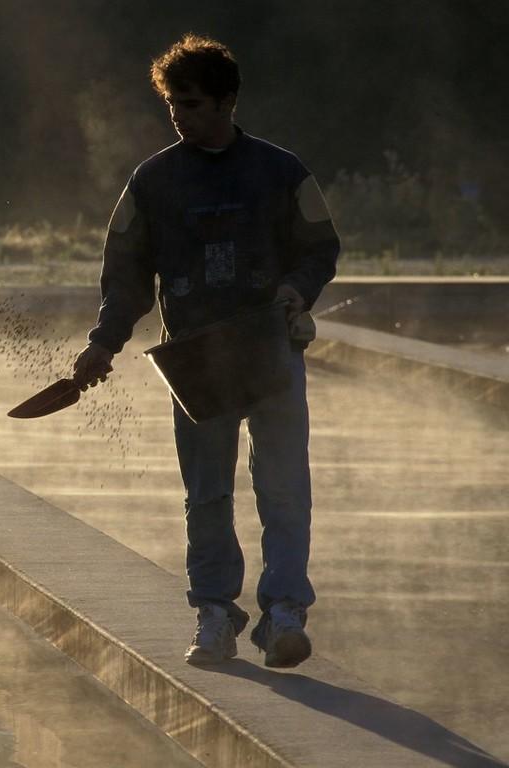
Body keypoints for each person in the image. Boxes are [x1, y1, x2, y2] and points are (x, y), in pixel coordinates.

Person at [72, 34, 340, 668]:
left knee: (283, 489)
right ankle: (215, 613)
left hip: (268, 348)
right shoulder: (152, 182)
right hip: (194, 361)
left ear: (226, 101)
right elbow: (126, 276)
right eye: (172, 106)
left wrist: (296, 290)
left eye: (190, 105)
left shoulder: (281, 172)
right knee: (207, 494)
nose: (178, 117)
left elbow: (319, 249)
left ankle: (283, 616)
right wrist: (103, 344)